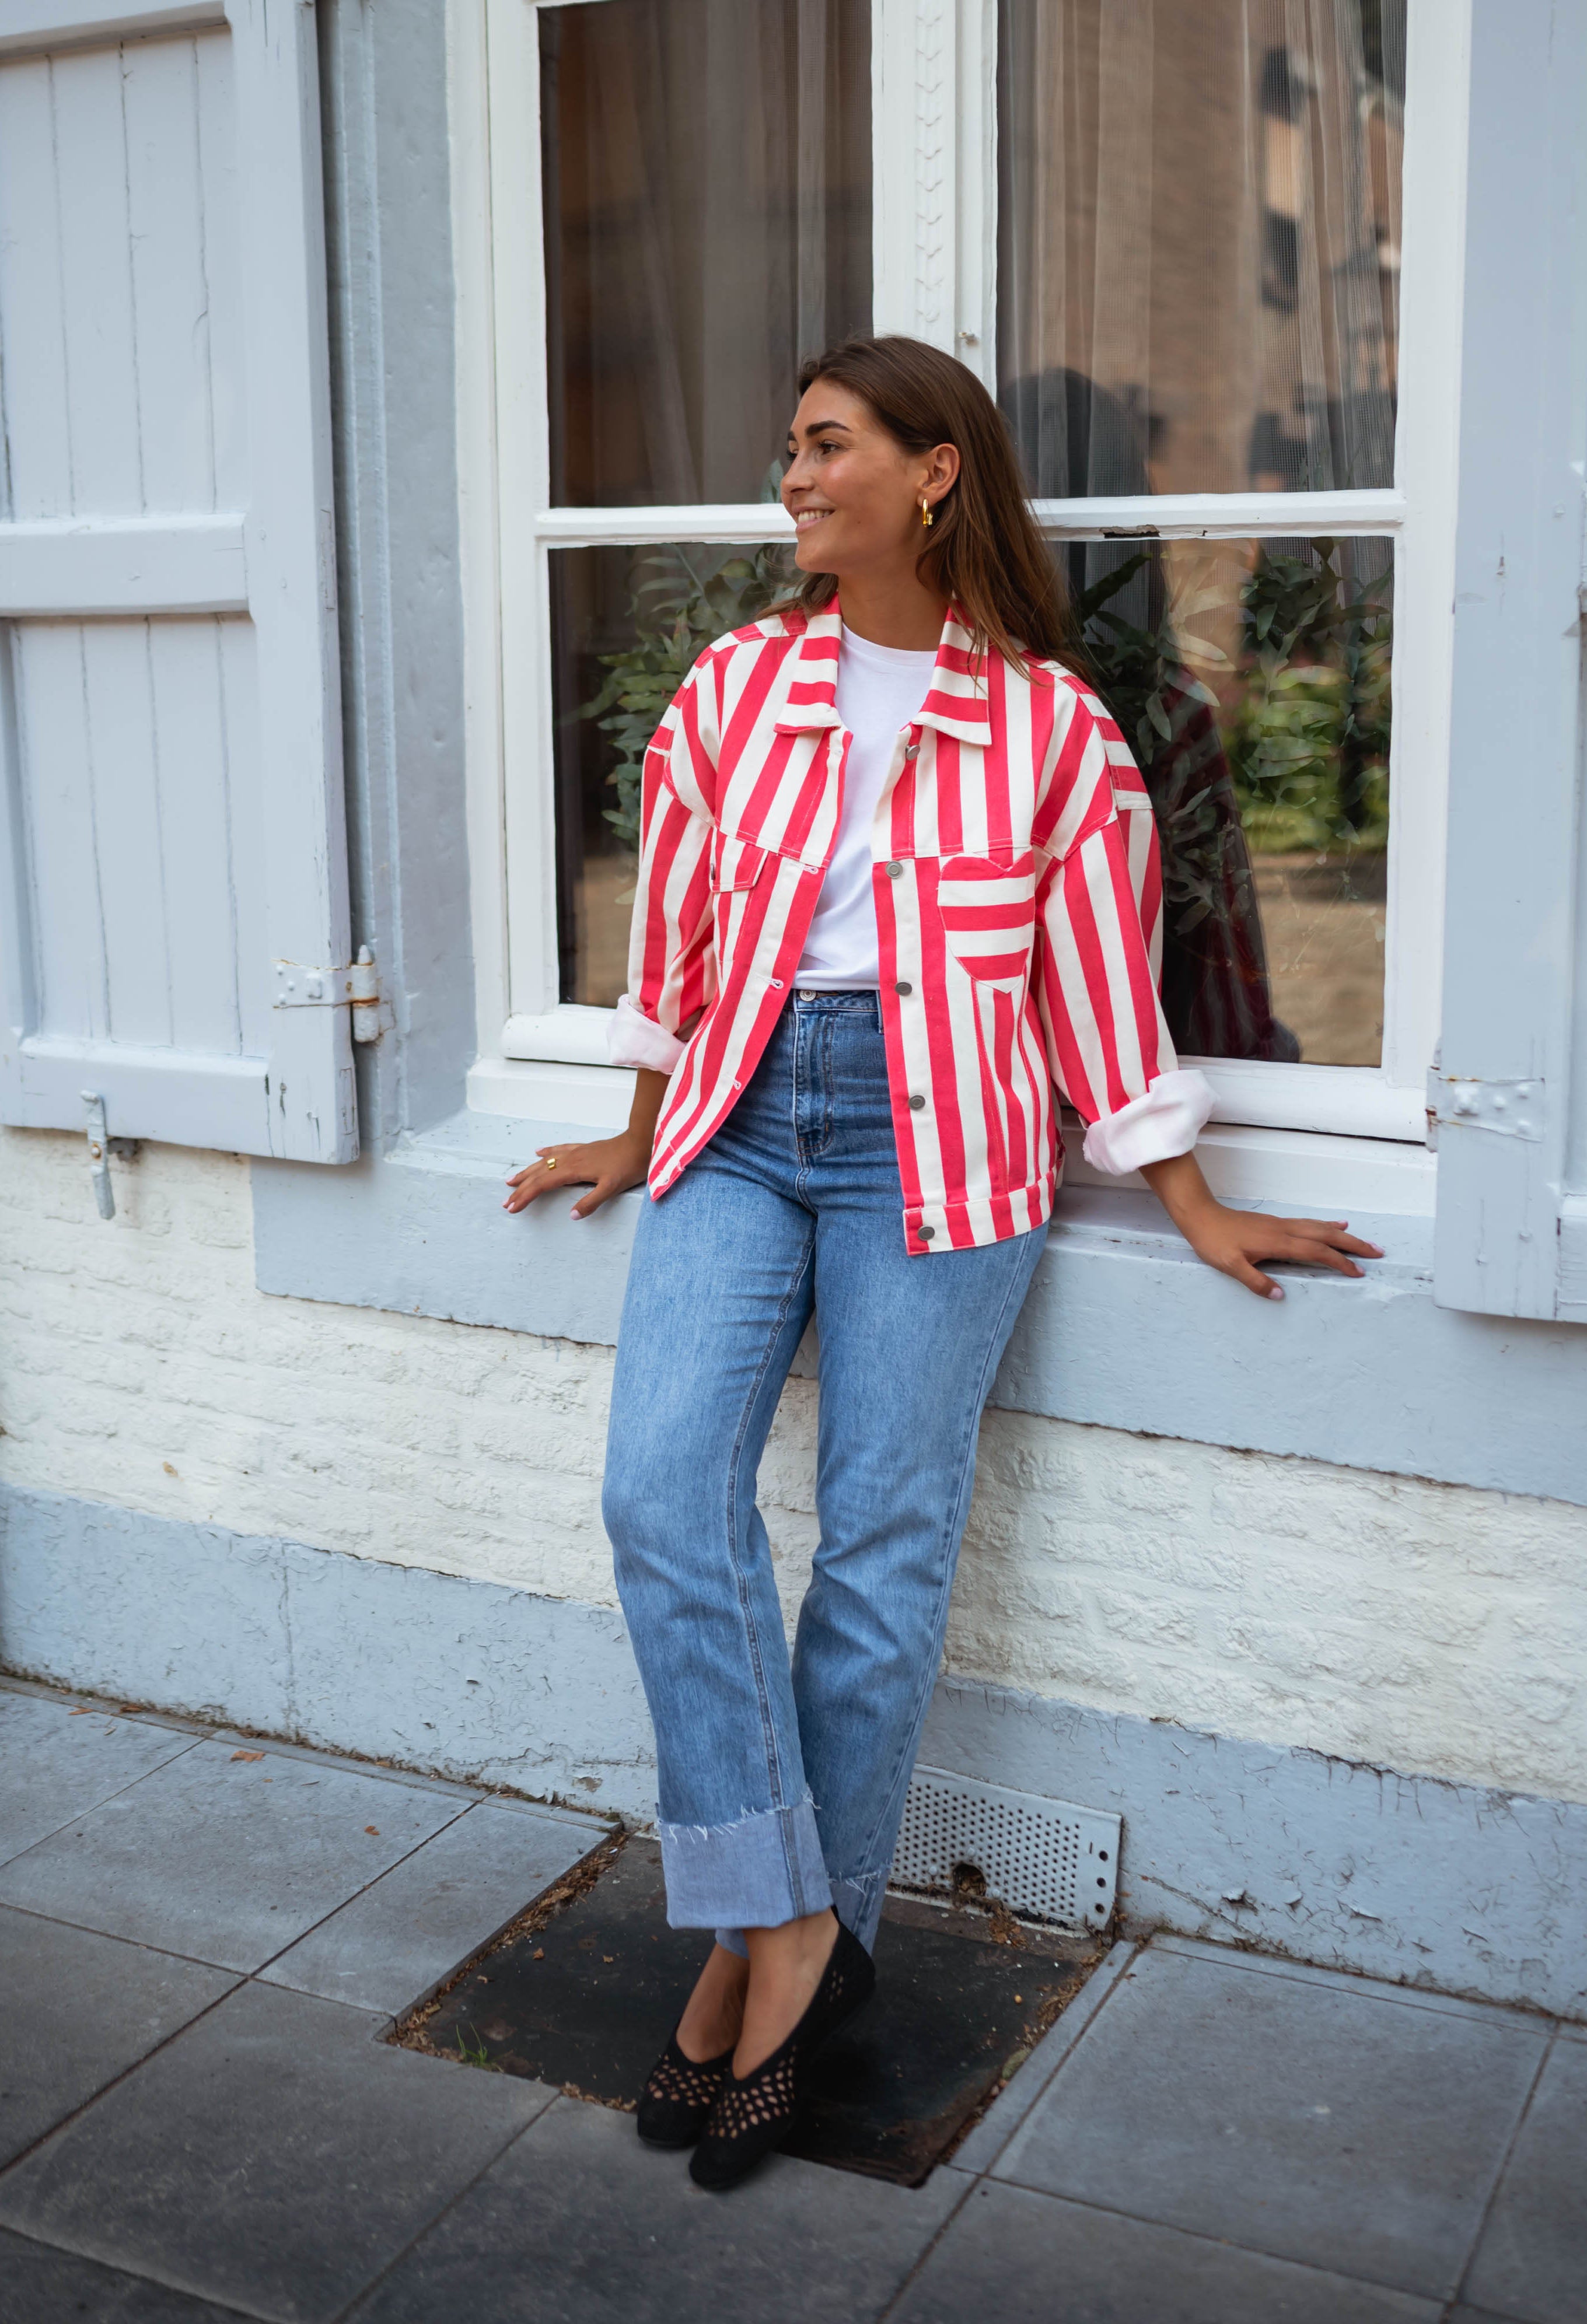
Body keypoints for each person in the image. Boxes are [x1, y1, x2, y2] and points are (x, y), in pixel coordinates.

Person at [505, 335, 1380, 2192]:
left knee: (883, 1549)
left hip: (946, 1144)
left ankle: (761, 1957)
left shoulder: (1057, 731)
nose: (792, 477)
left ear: (934, 472)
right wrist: (638, 1124)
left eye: (826, 445)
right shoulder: (736, 688)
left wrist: (1192, 1196)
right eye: (789, 448)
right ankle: (787, 1921)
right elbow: (676, 940)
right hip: (744, 1119)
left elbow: (1098, 990)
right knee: (662, 1494)